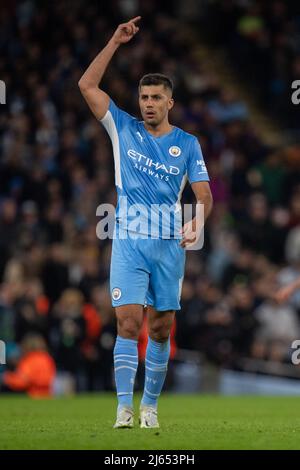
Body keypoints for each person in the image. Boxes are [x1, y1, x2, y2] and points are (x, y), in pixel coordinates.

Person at [78, 16, 213, 428]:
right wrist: (114, 41)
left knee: (159, 329)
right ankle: (123, 407)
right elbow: (87, 86)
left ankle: (150, 407)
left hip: (169, 243)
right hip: (129, 239)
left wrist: (199, 220)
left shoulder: (187, 144)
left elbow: (204, 194)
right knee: (128, 321)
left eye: (156, 97)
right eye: (143, 96)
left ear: (169, 102)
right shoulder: (122, 127)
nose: (148, 103)